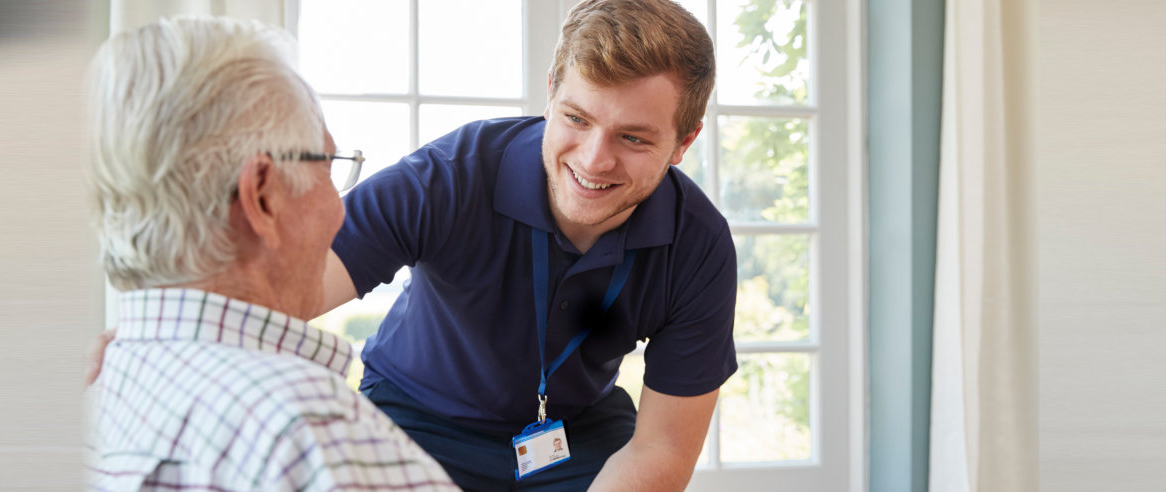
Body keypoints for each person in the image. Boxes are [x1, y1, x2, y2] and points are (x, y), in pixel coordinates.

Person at [313, 0, 736, 489]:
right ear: (552, 93)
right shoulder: (448, 178)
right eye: (577, 118)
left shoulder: (699, 245)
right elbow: (281, 288)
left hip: (576, 436)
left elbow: (661, 447)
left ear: (685, 141)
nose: (595, 160)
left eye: (634, 139)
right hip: (414, 417)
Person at [84, 16, 457, 492]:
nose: (339, 212)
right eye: (327, 166)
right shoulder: (315, 437)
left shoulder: (97, 391)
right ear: (262, 196)